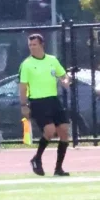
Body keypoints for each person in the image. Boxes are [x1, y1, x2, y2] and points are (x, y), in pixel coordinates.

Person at [19, 33, 73, 177]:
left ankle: (58, 168)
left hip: (53, 100)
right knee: (49, 131)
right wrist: (24, 104)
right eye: (30, 45)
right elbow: (23, 87)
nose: (32, 47)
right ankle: (37, 159)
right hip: (38, 102)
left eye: (34, 44)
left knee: (64, 130)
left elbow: (64, 76)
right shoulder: (27, 64)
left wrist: (66, 81)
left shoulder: (52, 60)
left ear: (42, 44)